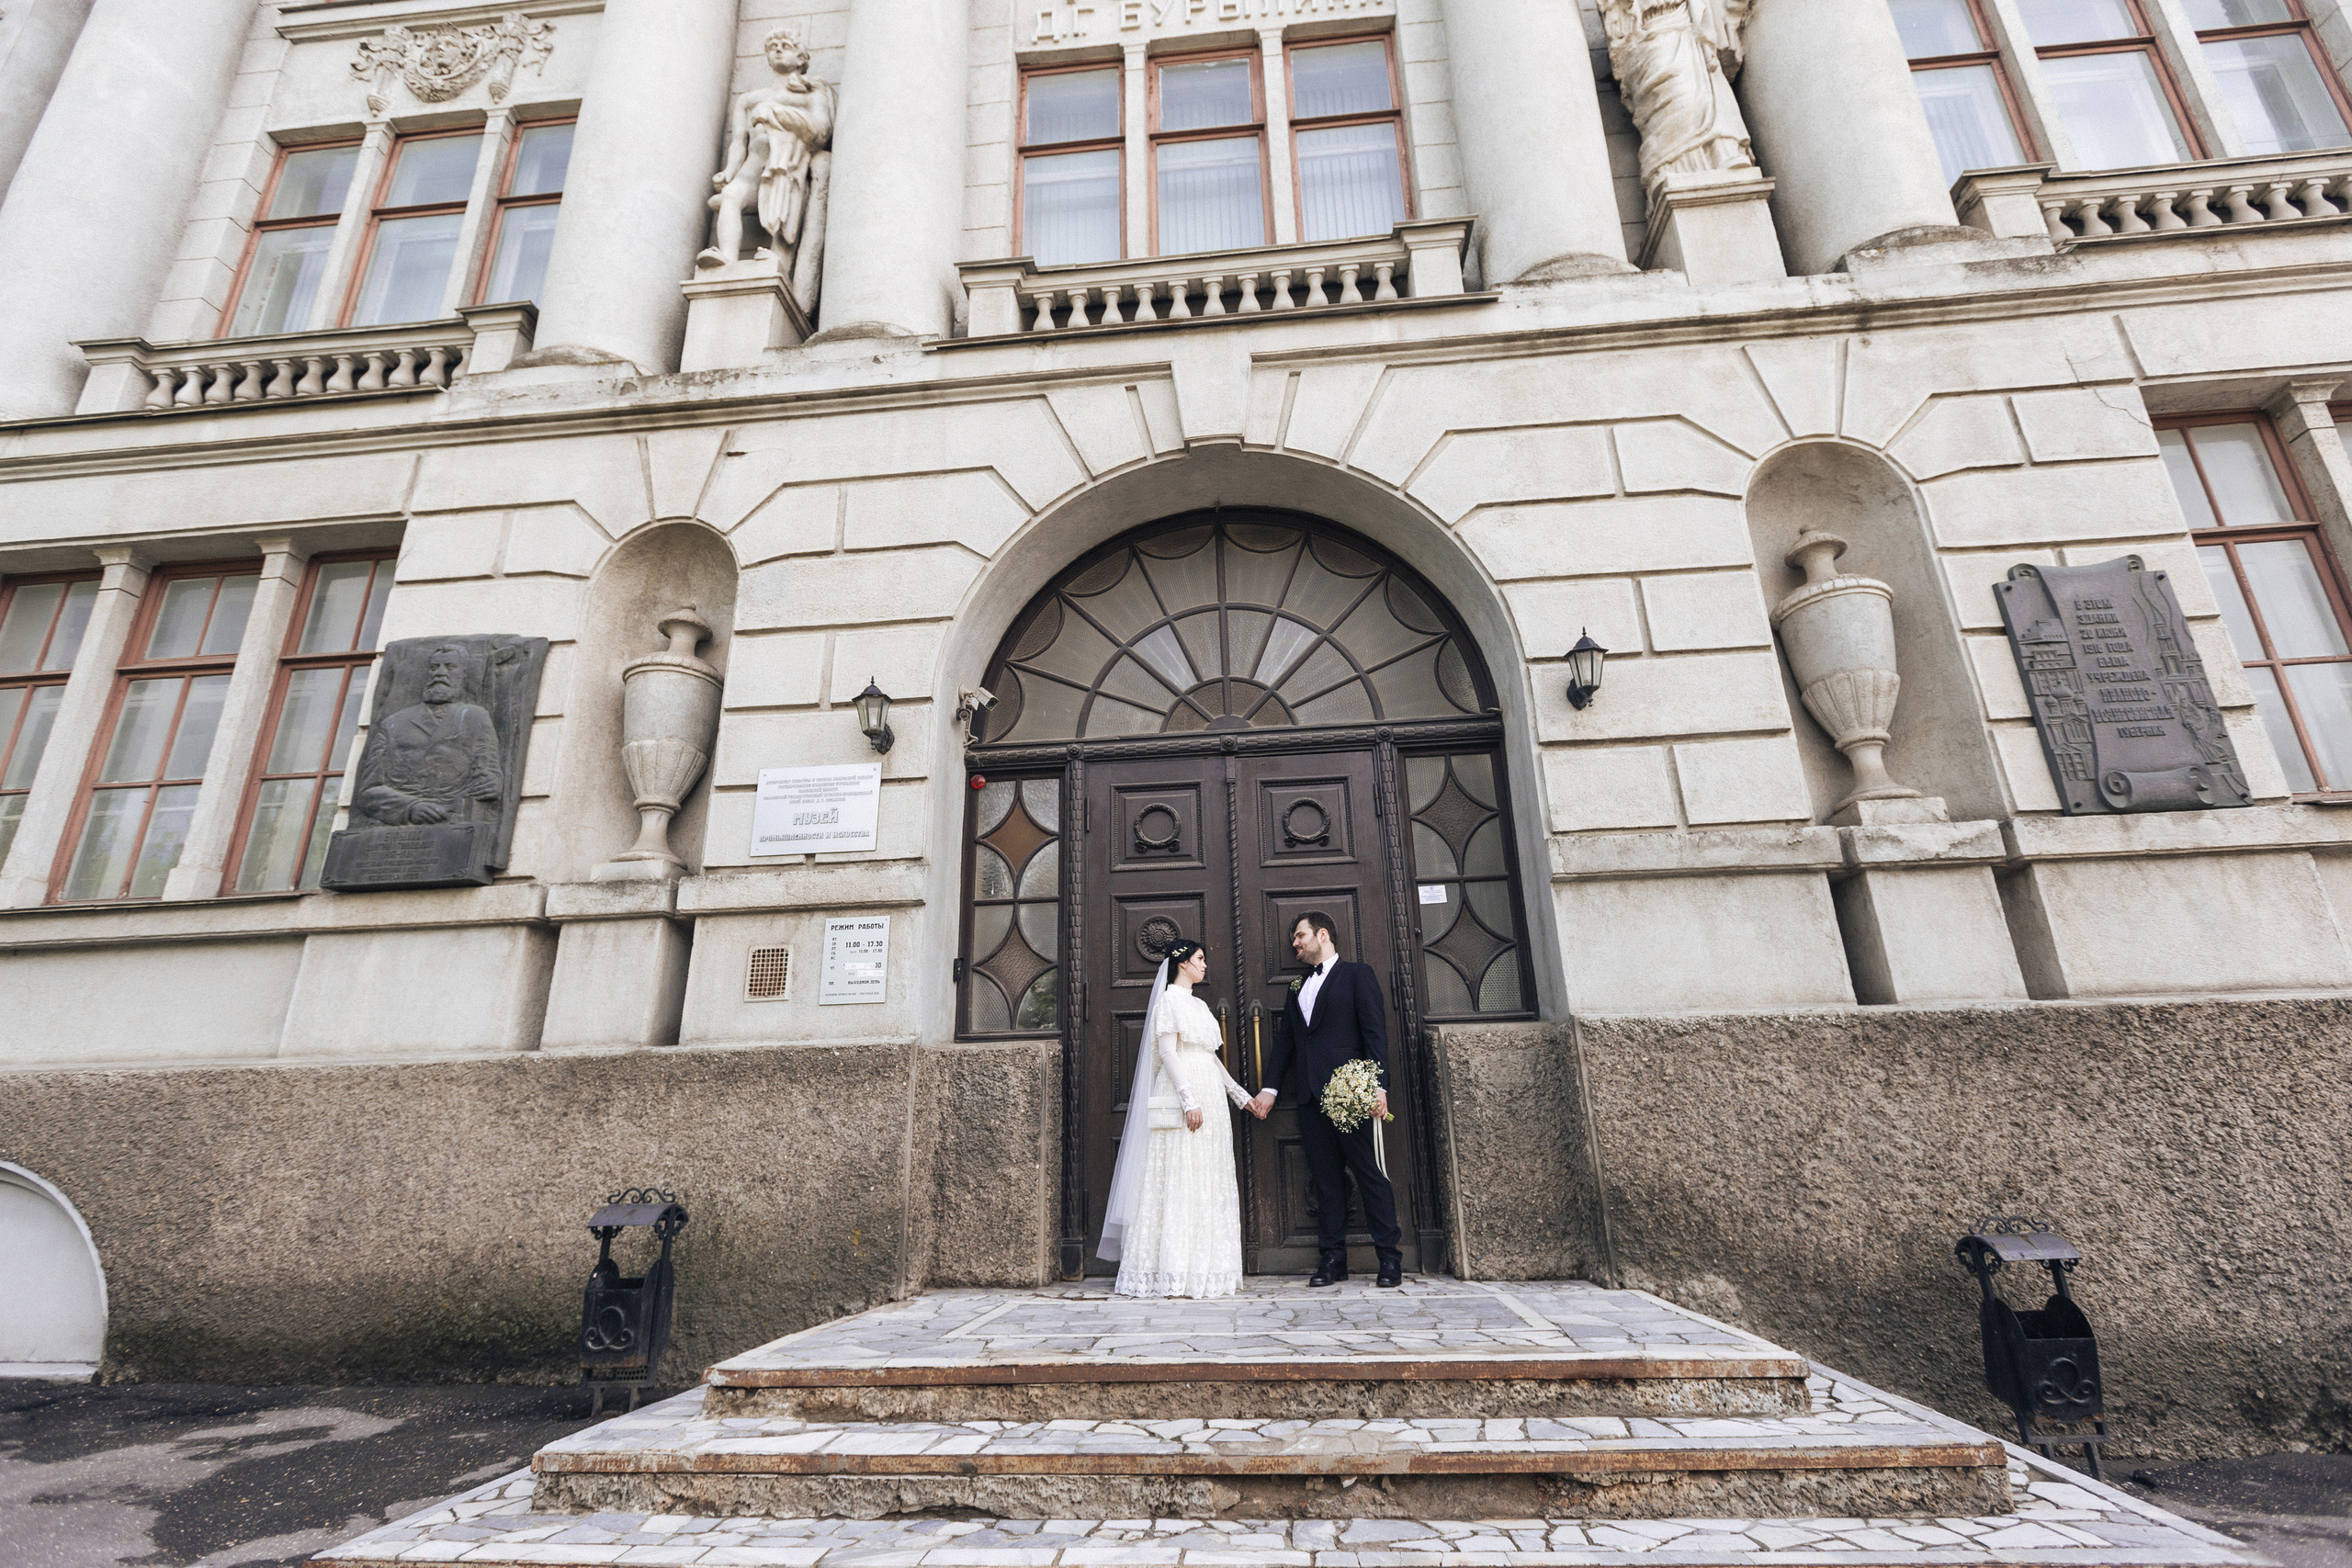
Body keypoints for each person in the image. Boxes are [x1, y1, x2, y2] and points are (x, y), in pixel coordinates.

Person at [1251, 912, 1404, 1288]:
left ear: (1323, 934)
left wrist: (1378, 1087)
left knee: (1371, 1175)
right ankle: (1333, 1260)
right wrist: (1269, 1090)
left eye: (1300, 935)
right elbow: (1287, 1041)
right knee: (1326, 1182)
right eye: (1293, 939)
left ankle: (1389, 1259)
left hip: (1352, 1095)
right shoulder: (1296, 986)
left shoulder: (1358, 975)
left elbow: (1374, 1033)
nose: (1295, 943)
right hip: (1308, 1096)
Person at [1097, 940, 1253, 1299]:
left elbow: (1209, 1057)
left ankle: (1205, 1268)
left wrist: (1239, 1095)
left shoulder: (1198, 1004)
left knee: (1206, 1175)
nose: (1204, 965)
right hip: (1187, 1094)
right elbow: (1168, 1050)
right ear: (1182, 962)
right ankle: (1169, 1268)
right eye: (1200, 959)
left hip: (1210, 1094)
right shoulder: (1169, 1000)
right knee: (1180, 1174)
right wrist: (1187, 1099)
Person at [700, 30, 837, 274]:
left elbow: (821, 131)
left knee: (784, 205)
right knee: (731, 195)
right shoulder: (750, 99)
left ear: (801, 58)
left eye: (786, 45)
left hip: (788, 165)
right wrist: (729, 171)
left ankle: (778, 262)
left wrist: (776, 113)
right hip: (752, 166)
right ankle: (726, 257)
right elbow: (739, 142)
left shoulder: (811, 94)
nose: (778, 49)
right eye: (773, 46)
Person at [351, 645, 503, 829]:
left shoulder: (476, 718)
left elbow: (488, 772)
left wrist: (492, 783)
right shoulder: (393, 724)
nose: (440, 673)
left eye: (450, 667)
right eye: (434, 668)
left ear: (463, 675)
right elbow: (367, 791)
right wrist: (410, 807)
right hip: (399, 828)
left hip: (456, 821)